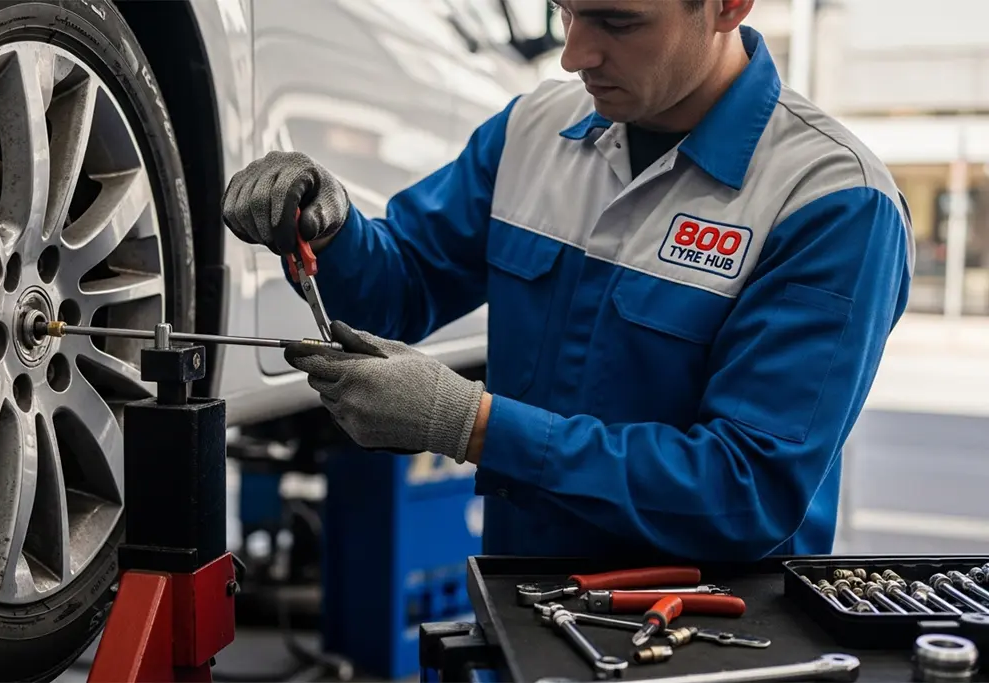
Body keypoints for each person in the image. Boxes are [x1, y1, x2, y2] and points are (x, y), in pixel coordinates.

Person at [220, 0, 914, 561]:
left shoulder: (830, 200)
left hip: (711, 645)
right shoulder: (531, 131)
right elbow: (399, 292)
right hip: (520, 612)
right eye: (565, 11)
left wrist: (475, 425)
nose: (574, 53)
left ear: (729, 6)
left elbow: (745, 491)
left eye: (616, 21)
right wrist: (334, 231)